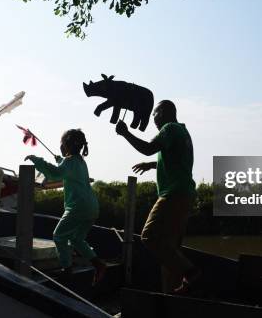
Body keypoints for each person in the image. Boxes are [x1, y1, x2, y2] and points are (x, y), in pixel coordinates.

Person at [115, 100, 200, 294]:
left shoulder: (169, 129)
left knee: (149, 236)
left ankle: (190, 271)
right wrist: (152, 165)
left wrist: (125, 133)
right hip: (185, 195)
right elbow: (176, 161)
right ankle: (172, 296)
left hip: (173, 194)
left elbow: (147, 147)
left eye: (154, 113)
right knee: (170, 250)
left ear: (162, 112)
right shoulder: (181, 132)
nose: (152, 119)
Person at [25, 129, 107, 285]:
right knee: (77, 239)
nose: (60, 147)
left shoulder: (69, 163)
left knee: (59, 236)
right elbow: (65, 169)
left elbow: (56, 174)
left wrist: (38, 161)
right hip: (92, 207)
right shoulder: (80, 161)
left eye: (61, 144)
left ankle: (67, 270)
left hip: (78, 207)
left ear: (67, 146)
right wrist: (59, 160)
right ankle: (98, 264)